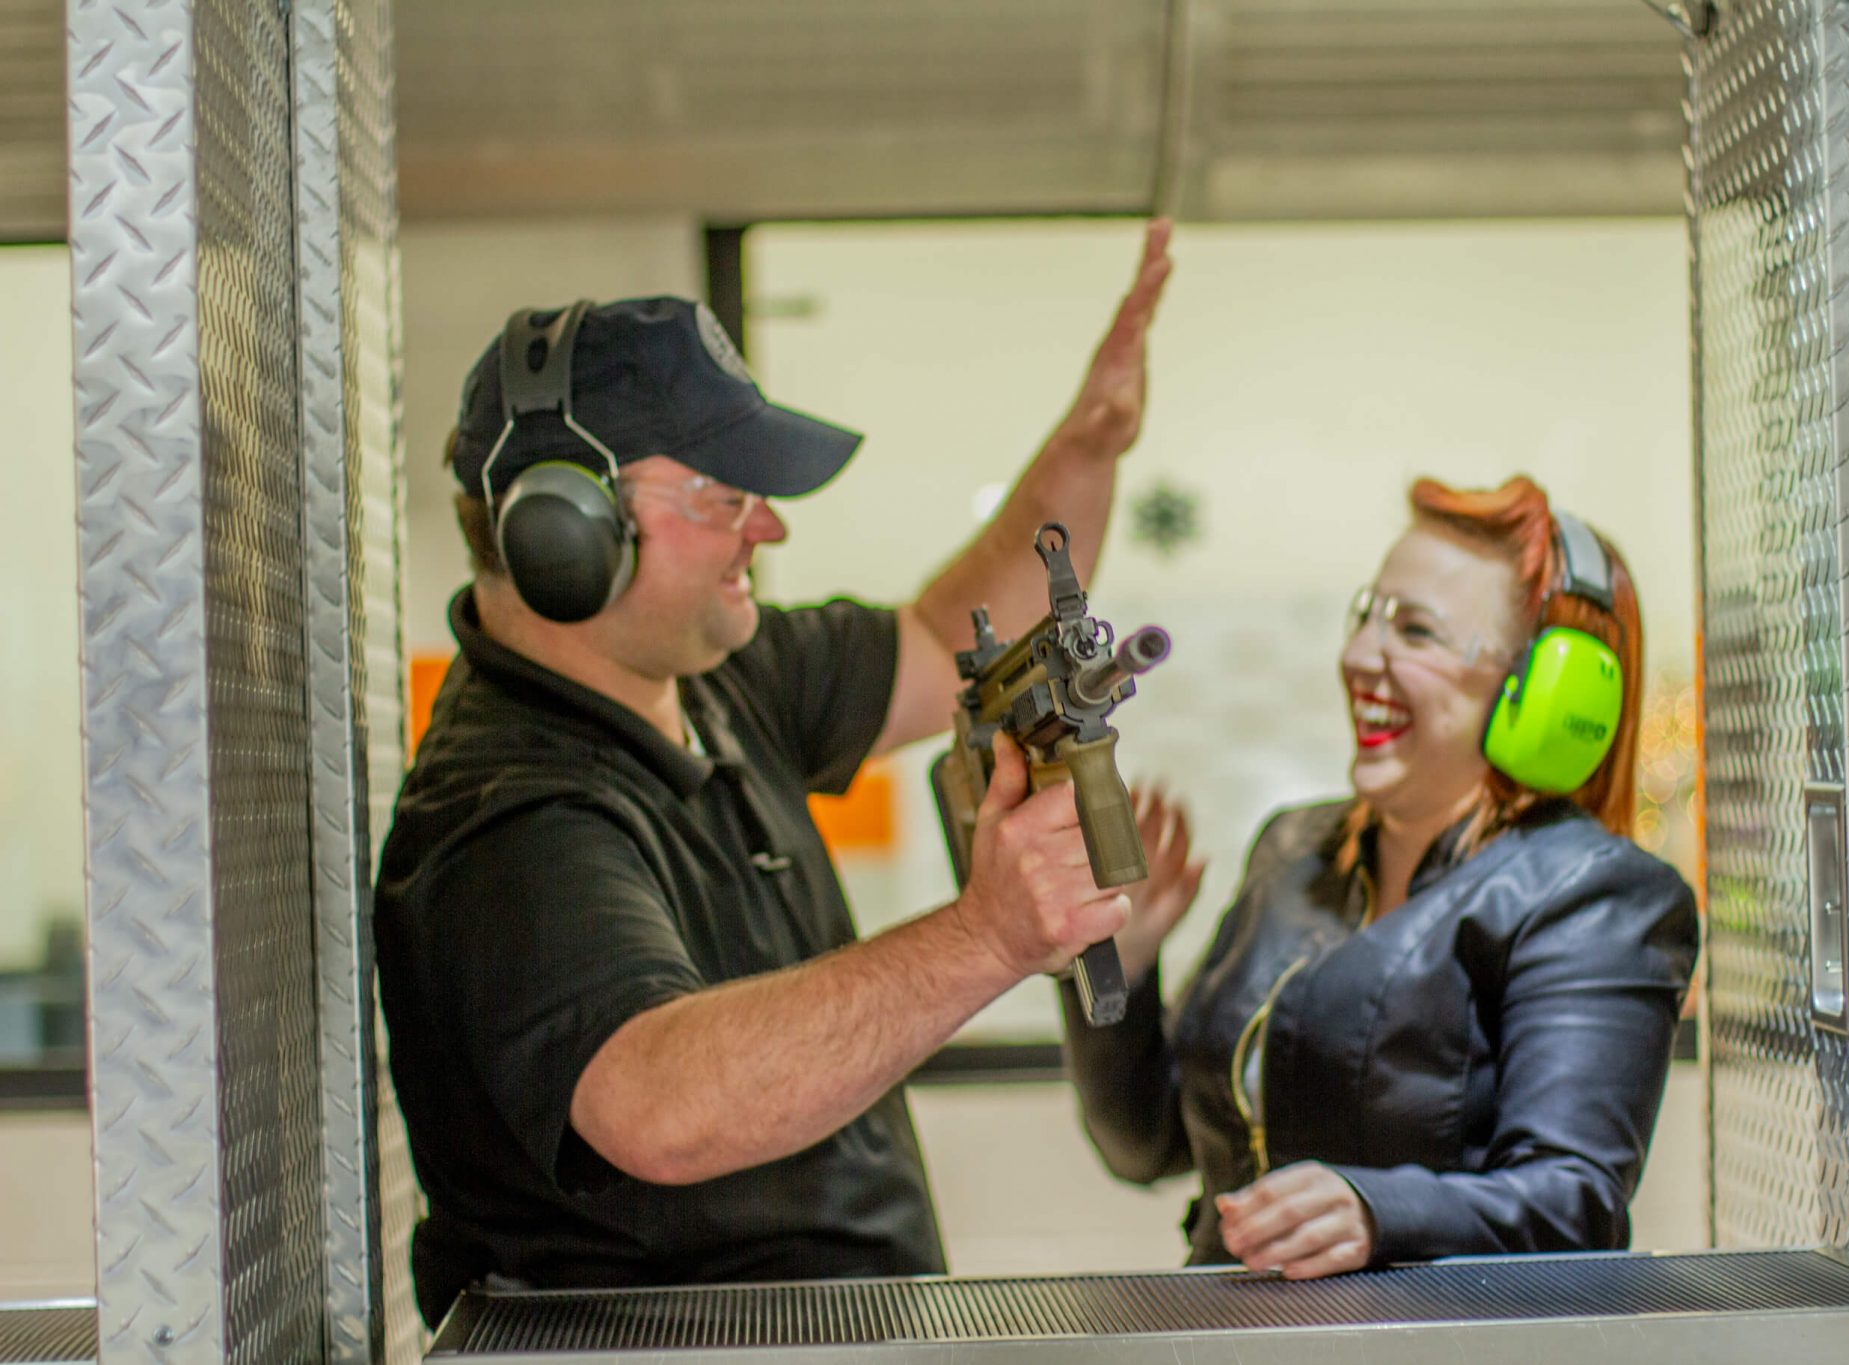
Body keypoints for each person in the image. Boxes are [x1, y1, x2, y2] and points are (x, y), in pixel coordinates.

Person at [374, 222, 1173, 1323]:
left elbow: (950, 631)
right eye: (719, 492)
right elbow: (656, 1103)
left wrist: (1089, 444)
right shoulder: (508, 812)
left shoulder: (718, 672)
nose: (769, 526)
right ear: (564, 531)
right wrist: (987, 935)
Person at [1063, 475, 1700, 1279]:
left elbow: (1573, 1201)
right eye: (1369, 613)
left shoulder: (1594, 893)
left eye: (1417, 631)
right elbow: (1146, 1143)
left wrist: (1377, 1210)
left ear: (1545, 690)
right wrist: (1120, 960)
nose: (1361, 655)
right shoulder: (1295, 848)